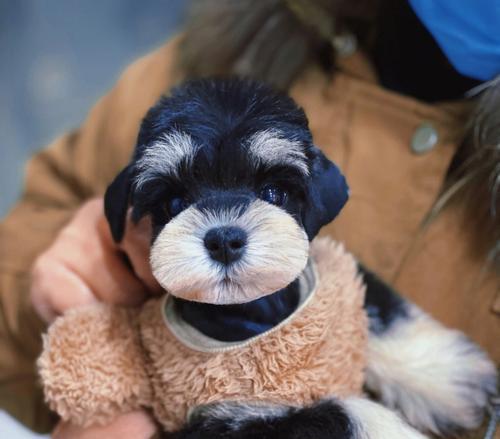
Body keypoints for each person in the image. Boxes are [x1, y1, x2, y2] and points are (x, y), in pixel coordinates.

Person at [0, 0, 499, 437]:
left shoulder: (336, 279)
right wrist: (48, 285)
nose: (224, 232)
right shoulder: (210, 55)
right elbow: (29, 230)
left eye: (274, 191)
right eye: (174, 204)